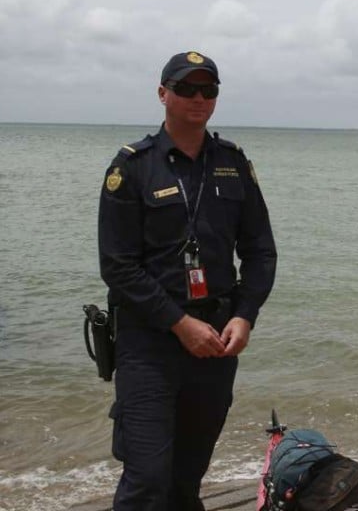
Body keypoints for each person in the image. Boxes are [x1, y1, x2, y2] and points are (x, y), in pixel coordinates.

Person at [98, 51, 277, 510]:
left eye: (209, 89)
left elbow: (260, 252)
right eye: (186, 88)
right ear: (163, 94)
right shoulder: (132, 167)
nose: (199, 98)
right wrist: (179, 323)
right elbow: (118, 267)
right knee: (146, 481)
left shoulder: (234, 163)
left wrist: (244, 316)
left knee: (186, 480)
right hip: (148, 344)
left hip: (216, 341)